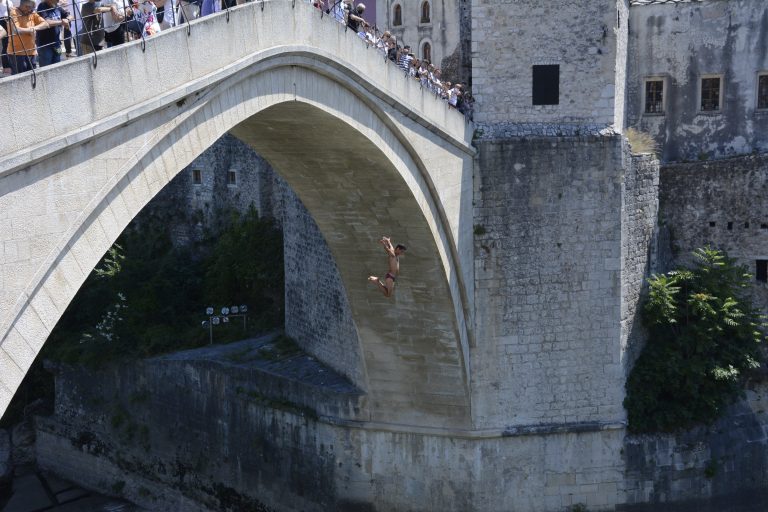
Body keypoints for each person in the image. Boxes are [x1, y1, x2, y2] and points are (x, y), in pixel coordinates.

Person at [6, 0, 49, 74]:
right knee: (20, 78)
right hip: (17, 53)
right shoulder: (13, 12)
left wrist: (33, 28)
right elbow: (16, 30)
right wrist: (30, 31)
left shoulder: (31, 12)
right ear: (25, 6)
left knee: (32, 76)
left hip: (31, 51)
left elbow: (46, 24)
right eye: (31, 8)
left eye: (33, 8)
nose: (32, 10)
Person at [36, 0, 69, 66]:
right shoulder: (42, 6)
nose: (58, 1)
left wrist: (67, 19)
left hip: (56, 43)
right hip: (45, 45)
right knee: (45, 69)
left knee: (57, 68)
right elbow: (46, 22)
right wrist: (62, 22)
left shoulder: (56, 6)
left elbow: (69, 15)